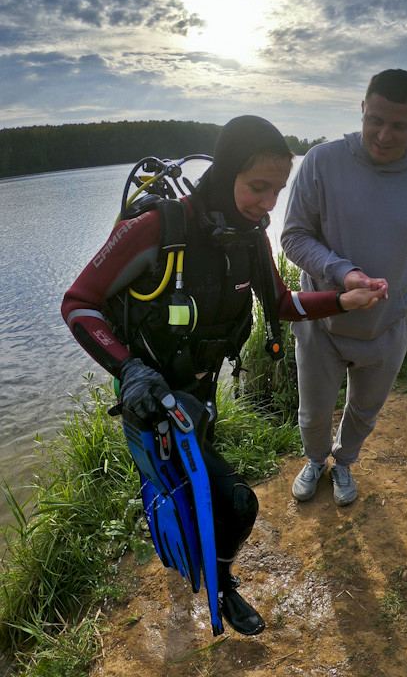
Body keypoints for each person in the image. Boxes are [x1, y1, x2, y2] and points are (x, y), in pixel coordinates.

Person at [61, 115, 385, 636]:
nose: (268, 204)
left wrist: (341, 300)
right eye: (258, 187)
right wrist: (130, 371)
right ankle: (221, 583)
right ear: (228, 170)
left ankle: (189, 560)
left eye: (277, 191)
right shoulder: (157, 229)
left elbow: (281, 301)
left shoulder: (250, 238)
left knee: (182, 485)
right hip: (150, 399)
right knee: (235, 503)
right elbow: (79, 302)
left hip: (200, 398)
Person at [281, 69, 407, 507]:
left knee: (365, 411)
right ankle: (315, 459)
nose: (383, 135)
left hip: (387, 326)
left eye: (399, 125)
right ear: (362, 108)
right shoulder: (322, 161)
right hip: (321, 321)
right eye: (375, 120)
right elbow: (293, 236)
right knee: (313, 412)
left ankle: (344, 462)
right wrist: (342, 273)